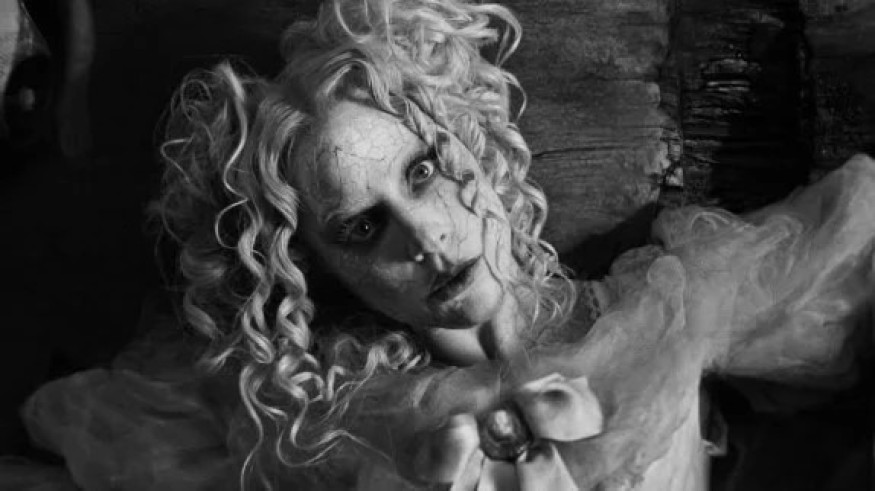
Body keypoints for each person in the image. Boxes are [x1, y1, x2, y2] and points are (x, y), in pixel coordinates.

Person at [15, 0, 874, 489]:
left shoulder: (670, 313)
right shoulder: (319, 424)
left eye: (422, 171)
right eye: (363, 226)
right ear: (318, 266)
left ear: (471, 142)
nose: (425, 236)